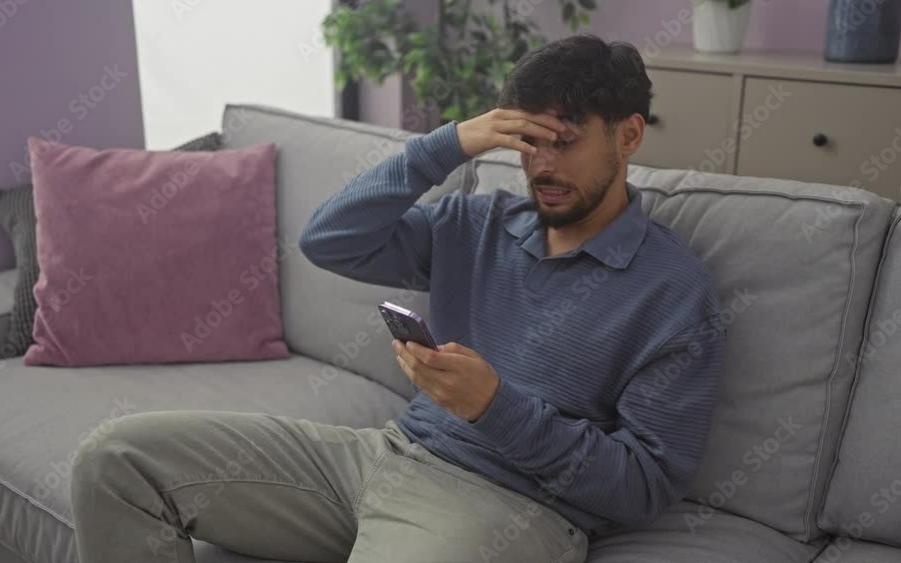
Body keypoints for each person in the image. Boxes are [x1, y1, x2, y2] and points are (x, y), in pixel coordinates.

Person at [70, 34, 725, 563]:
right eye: (527, 142)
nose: (542, 165)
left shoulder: (673, 292)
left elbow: (643, 485)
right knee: (116, 459)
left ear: (629, 135)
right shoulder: (478, 222)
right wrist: (445, 144)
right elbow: (329, 239)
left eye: (564, 140)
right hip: (380, 457)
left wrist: (495, 407)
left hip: (510, 509)